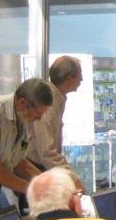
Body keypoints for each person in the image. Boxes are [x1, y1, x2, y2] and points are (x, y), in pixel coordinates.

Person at [0, 78, 53, 212]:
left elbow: (18, 162)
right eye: (38, 114)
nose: (39, 119)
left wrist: (48, 184)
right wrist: (32, 189)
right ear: (22, 103)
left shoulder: (23, 118)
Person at [29, 56, 86, 191]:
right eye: (80, 75)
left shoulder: (57, 97)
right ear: (68, 78)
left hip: (45, 167)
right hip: (36, 168)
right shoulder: (47, 99)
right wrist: (73, 180)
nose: (81, 79)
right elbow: (46, 152)